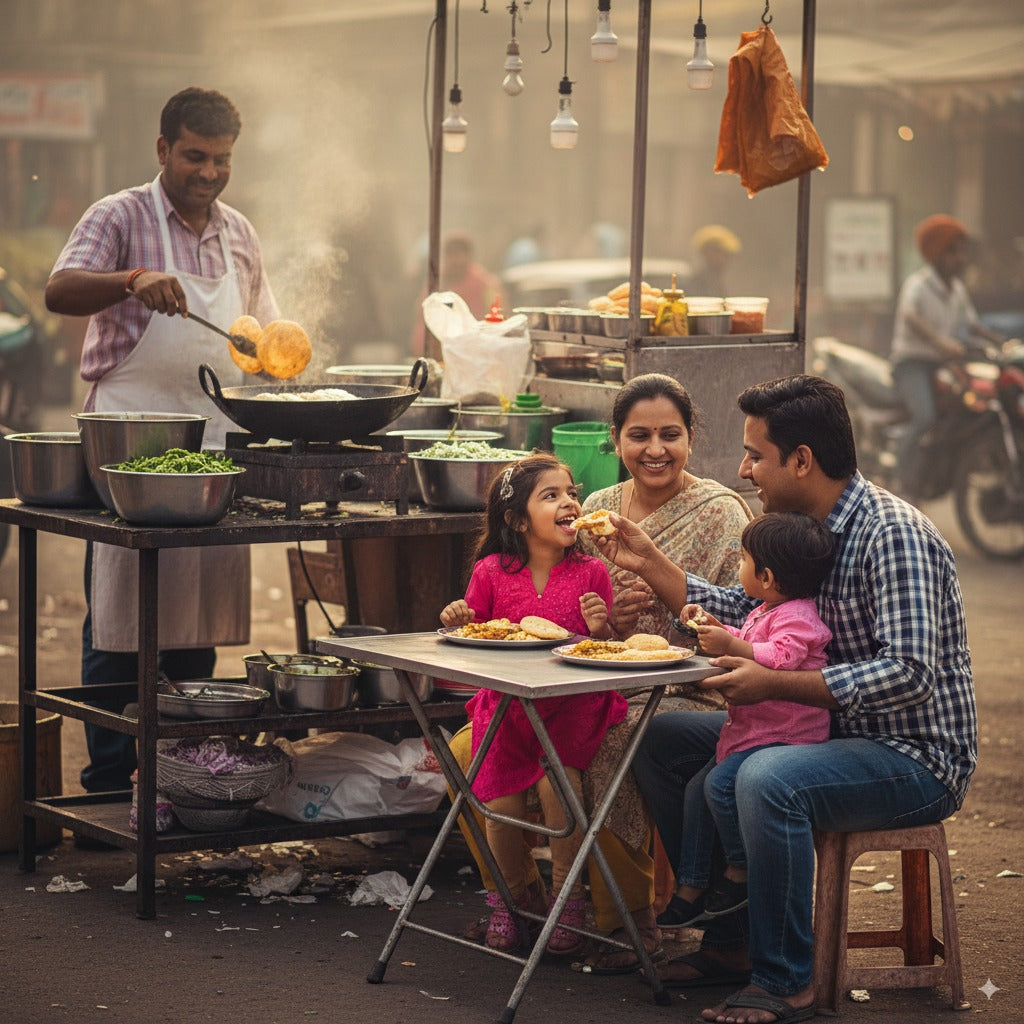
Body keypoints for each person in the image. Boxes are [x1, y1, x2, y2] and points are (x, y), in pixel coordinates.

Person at [594, 374, 975, 1023]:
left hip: (911, 755)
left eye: (756, 455)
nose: (744, 470)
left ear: (801, 460)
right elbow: (749, 610)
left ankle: (784, 981)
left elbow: (910, 673)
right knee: (654, 737)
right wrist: (651, 560)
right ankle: (731, 942)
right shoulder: (803, 528)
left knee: (768, 778)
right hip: (823, 732)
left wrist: (773, 683)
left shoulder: (892, 535)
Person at [450, 372, 753, 973]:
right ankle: (525, 899)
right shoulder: (595, 509)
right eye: (639, 435)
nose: (655, 449)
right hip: (578, 683)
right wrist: (612, 623)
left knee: (613, 747)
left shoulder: (723, 514)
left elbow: (747, 618)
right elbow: (580, 624)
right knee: (465, 749)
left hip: (687, 688)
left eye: (671, 434)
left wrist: (668, 609)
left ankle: (626, 922)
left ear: (692, 437)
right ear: (615, 441)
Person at [45, 87, 280, 807]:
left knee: (192, 616)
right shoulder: (119, 215)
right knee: (122, 617)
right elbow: (58, 290)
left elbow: (264, 337)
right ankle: (112, 784)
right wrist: (131, 280)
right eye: (195, 156)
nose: (208, 172)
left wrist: (279, 362)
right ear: (162, 150)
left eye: (222, 160)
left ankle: (180, 775)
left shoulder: (238, 232)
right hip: (130, 441)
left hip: (211, 446)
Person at [439, 453, 627, 956]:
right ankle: (513, 898)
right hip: (507, 709)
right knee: (498, 807)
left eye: (571, 491)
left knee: (557, 791)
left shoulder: (591, 573)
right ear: (518, 520)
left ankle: (569, 900)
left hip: (573, 707)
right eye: (551, 496)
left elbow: (604, 647)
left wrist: (601, 627)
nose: (569, 502)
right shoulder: (491, 573)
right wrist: (459, 616)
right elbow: (473, 630)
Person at [657, 511, 835, 932]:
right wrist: (718, 630)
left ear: (768, 576)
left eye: (743, 560)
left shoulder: (800, 616)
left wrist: (732, 644)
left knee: (718, 785)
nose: (739, 569)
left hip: (786, 738)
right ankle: (692, 884)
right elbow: (753, 641)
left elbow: (782, 656)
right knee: (699, 789)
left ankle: (741, 871)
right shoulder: (766, 608)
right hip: (753, 733)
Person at [891, 214, 1007, 502]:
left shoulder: (956, 290)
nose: (961, 258)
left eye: (962, 251)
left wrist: (1000, 343)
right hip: (912, 363)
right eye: (955, 251)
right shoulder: (918, 284)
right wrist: (938, 342)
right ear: (939, 254)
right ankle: (901, 482)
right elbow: (910, 316)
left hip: (942, 366)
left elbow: (973, 323)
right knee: (925, 417)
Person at [412, 231, 501, 355]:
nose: (456, 260)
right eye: (451, 254)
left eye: (459, 254)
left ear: (469, 256)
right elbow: (422, 314)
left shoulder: (484, 284)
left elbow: (497, 318)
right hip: (434, 354)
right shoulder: (437, 280)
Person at [688, 225, 742, 297]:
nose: (724, 260)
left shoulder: (717, 284)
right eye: (719, 253)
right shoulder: (695, 285)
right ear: (706, 253)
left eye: (727, 255)